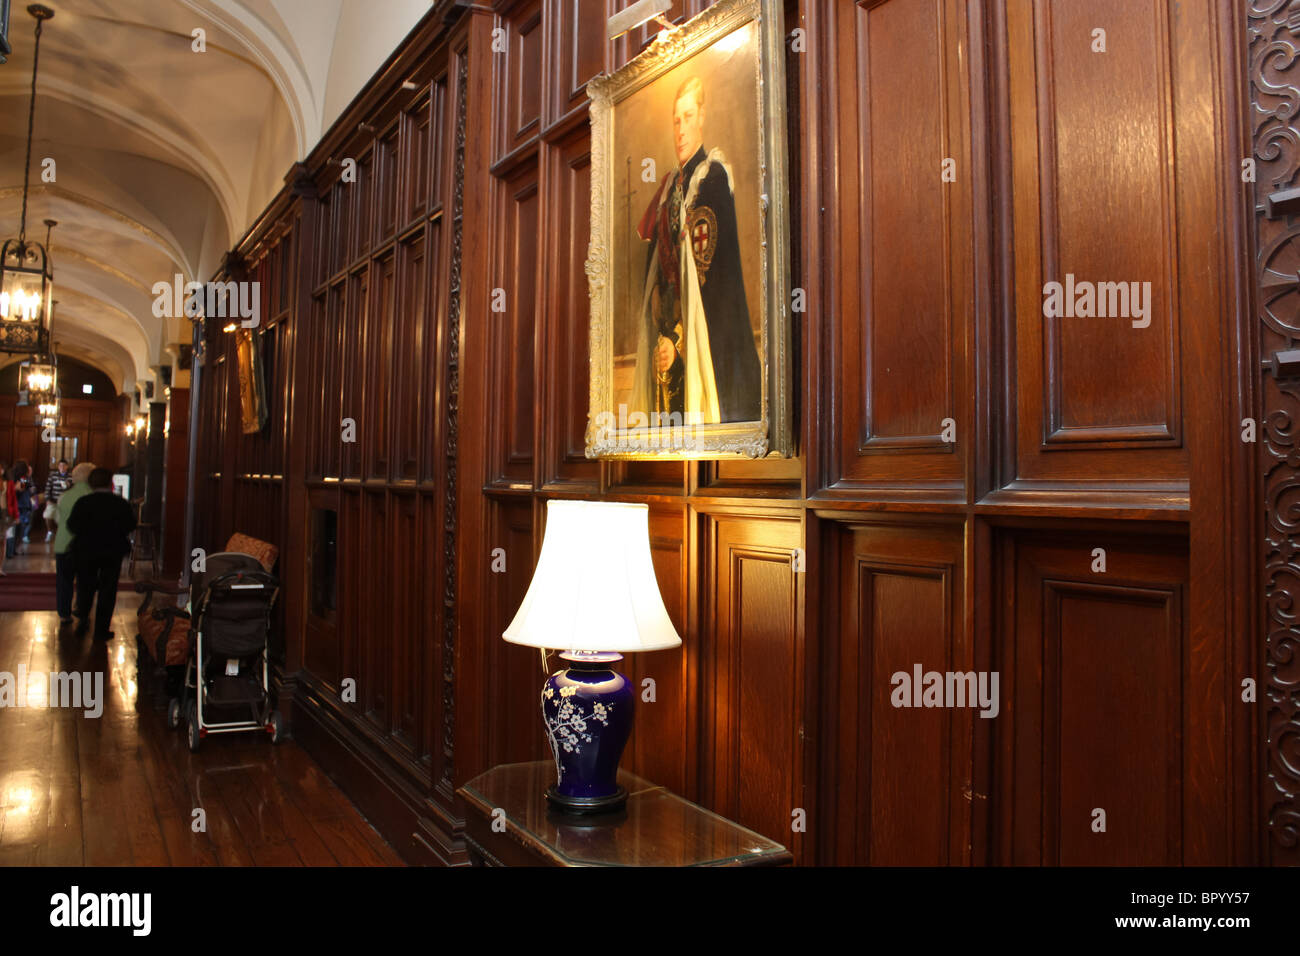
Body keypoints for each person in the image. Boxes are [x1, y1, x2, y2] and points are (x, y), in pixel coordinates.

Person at [631, 75, 761, 426]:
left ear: (701, 117)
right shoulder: (668, 189)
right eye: (676, 121)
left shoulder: (713, 180)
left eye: (688, 118)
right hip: (670, 351)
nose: (681, 130)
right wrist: (664, 335)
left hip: (710, 347)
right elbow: (656, 279)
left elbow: (714, 281)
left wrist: (678, 341)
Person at [66, 467, 136, 641]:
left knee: (85, 585)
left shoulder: (84, 502)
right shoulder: (120, 503)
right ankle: (101, 630)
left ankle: (83, 619)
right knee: (108, 589)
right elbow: (130, 525)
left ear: (91, 483)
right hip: (112, 551)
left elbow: (72, 525)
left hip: (86, 550)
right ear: (110, 482)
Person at [53, 462, 95, 625]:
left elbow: (57, 519)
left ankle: (64, 613)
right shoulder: (92, 495)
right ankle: (83, 612)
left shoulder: (65, 495)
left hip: (63, 542)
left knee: (64, 580)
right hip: (86, 545)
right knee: (85, 580)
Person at [6, 461, 33, 557]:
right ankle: (10, 551)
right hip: (18, 506)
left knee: (18, 530)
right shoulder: (13, 479)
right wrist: (16, 488)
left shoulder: (23, 478)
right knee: (13, 530)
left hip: (22, 505)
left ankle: (13, 550)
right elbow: (16, 490)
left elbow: (26, 487)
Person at [43, 458, 71, 542]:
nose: (62, 467)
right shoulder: (53, 475)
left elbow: (73, 489)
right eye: (60, 465)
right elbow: (48, 487)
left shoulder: (70, 476)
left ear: (67, 466)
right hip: (53, 500)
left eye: (64, 465)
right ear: (58, 466)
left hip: (64, 502)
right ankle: (49, 531)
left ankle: (61, 535)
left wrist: (69, 485)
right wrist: (47, 499)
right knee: (47, 516)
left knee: (63, 520)